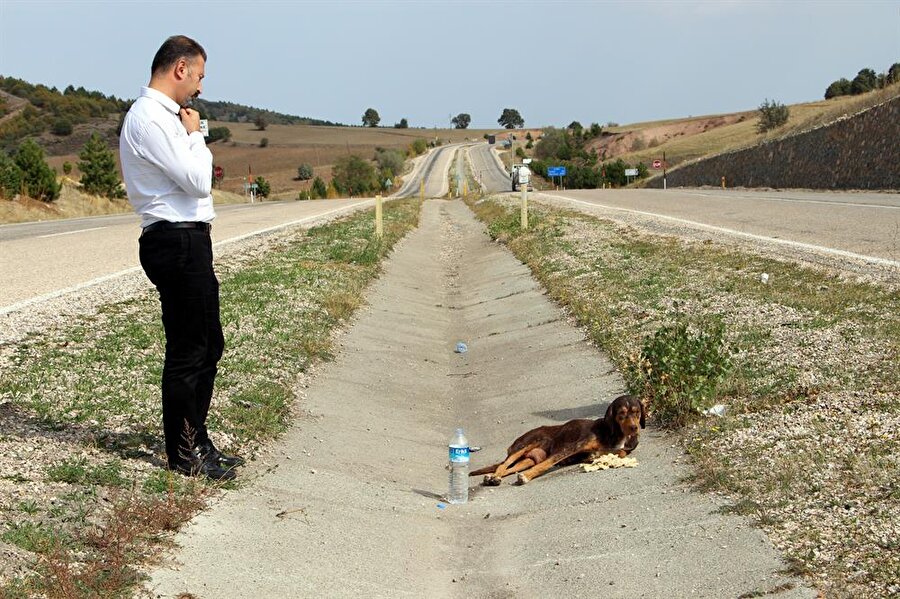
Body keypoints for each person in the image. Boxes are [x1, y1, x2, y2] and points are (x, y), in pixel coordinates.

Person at [120, 35, 242, 480]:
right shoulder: (149, 119)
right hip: (174, 240)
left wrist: (190, 134)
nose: (200, 88)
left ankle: (198, 441)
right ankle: (185, 455)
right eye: (200, 76)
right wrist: (195, 137)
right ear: (180, 69)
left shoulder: (166, 117)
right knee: (190, 349)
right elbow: (197, 182)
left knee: (209, 343)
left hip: (190, 240)